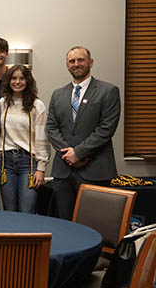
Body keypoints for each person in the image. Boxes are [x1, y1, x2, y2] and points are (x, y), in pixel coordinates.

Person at [46, 46, 120, 220]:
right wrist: (69, 154)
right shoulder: (58, 94)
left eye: (81, 60)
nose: (76, 64)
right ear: (67, 65)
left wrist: (79, 153)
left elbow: (106, 128)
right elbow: (51, 127)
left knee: (94, 222)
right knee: (64, 223)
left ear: (91, 62)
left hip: (95, 169)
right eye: (72, 61)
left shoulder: (108, 91)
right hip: (64, 171)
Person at [0, 65, 50, 213]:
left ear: (28, 81)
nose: (17, 82)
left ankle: (26, 237)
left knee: (27, 210)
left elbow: (41, 138)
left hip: (29, 163)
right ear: (8, 81)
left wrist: (41, 168)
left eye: (22, 78)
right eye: (14, 78)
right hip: (6, 162)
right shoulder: (3, 103)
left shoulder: (37, 105)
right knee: (9, 210)